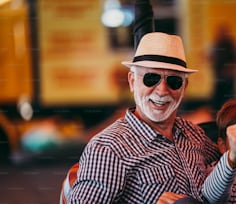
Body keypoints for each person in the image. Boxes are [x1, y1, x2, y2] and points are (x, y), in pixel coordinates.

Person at [67, 31, 221, 203]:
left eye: (174, 81)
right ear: (132, 81)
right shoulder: (109, 148)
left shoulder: (194, 134)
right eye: (151, 78)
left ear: (184, 87)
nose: (162, 90)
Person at [209, 24, 236, 111]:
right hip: (219, 77)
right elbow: (210, 56)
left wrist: (232, 69)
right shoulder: (216, 44)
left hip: (229, 77)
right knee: (218, 100)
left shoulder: (232, 44)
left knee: (229, 100)